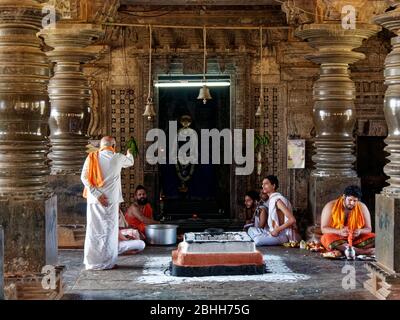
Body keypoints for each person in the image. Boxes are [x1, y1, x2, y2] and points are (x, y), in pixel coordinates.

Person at [81, 136, 134, 270]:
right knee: (109, 232)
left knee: (93, 230)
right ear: (113, 145)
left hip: (94, 200)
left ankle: (92, 263)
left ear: (100, 146)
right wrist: (129, 153)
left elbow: (84, 177)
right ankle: (108, 263)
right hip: (110, 201)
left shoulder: (91, 157)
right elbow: (130, 162)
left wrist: (98, 194)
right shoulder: (118, 157)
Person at [320, 185, 375, 255]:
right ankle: (360, 251)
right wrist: (339, 232)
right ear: (344, 197)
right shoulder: (330, 206)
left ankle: (346, 250)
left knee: (376, 237)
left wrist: (360, 231)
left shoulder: (362, 207)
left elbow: (368, 228)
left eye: (355, 201)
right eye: (350, 200)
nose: (352, 203)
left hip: (355, 239)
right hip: (337, 238)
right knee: (325, 238)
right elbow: (323, 229)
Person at [248, 175, 300, 246]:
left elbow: (292, 220)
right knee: (250, 229)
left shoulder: (277, 200)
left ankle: (261, 236)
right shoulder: (272, 199)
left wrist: (277, 230)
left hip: (282, 235)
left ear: (273, 186)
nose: (263, 186)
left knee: (257, 241)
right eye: (262, 184)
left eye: (266, 184)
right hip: (272, 233)